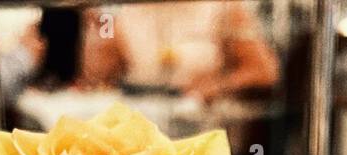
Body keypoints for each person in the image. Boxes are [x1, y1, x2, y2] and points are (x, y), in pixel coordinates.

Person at [79, 2, 278, 102]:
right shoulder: (126, 10)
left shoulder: (225, 8)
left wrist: (219, 86)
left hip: (205, 128)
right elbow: (100, 77)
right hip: (143, 126)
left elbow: (265, 72)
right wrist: (98, 39)